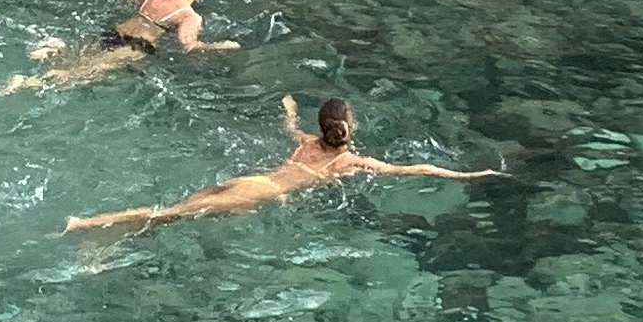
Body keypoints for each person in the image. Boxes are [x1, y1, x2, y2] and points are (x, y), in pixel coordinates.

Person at [63, 95, 492, 237]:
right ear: (348, 129)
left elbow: (289, 126)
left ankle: (101, 236)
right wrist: (469, 175)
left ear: (320, 126)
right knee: (168, 215)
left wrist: (288, 107)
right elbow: (413, 169)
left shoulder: (305, 142)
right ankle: (86, 224)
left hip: (251, 181)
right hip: (263, 194)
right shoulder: (349, 163)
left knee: (171, 213)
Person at [2, 0, 240, 95]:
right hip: (136, 47)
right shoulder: (189, 16)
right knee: (87, 72)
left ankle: (49, 51)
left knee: (79, 54)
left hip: (117, 32)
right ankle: (29, 83)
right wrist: (219, 47)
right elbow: (188, 45)